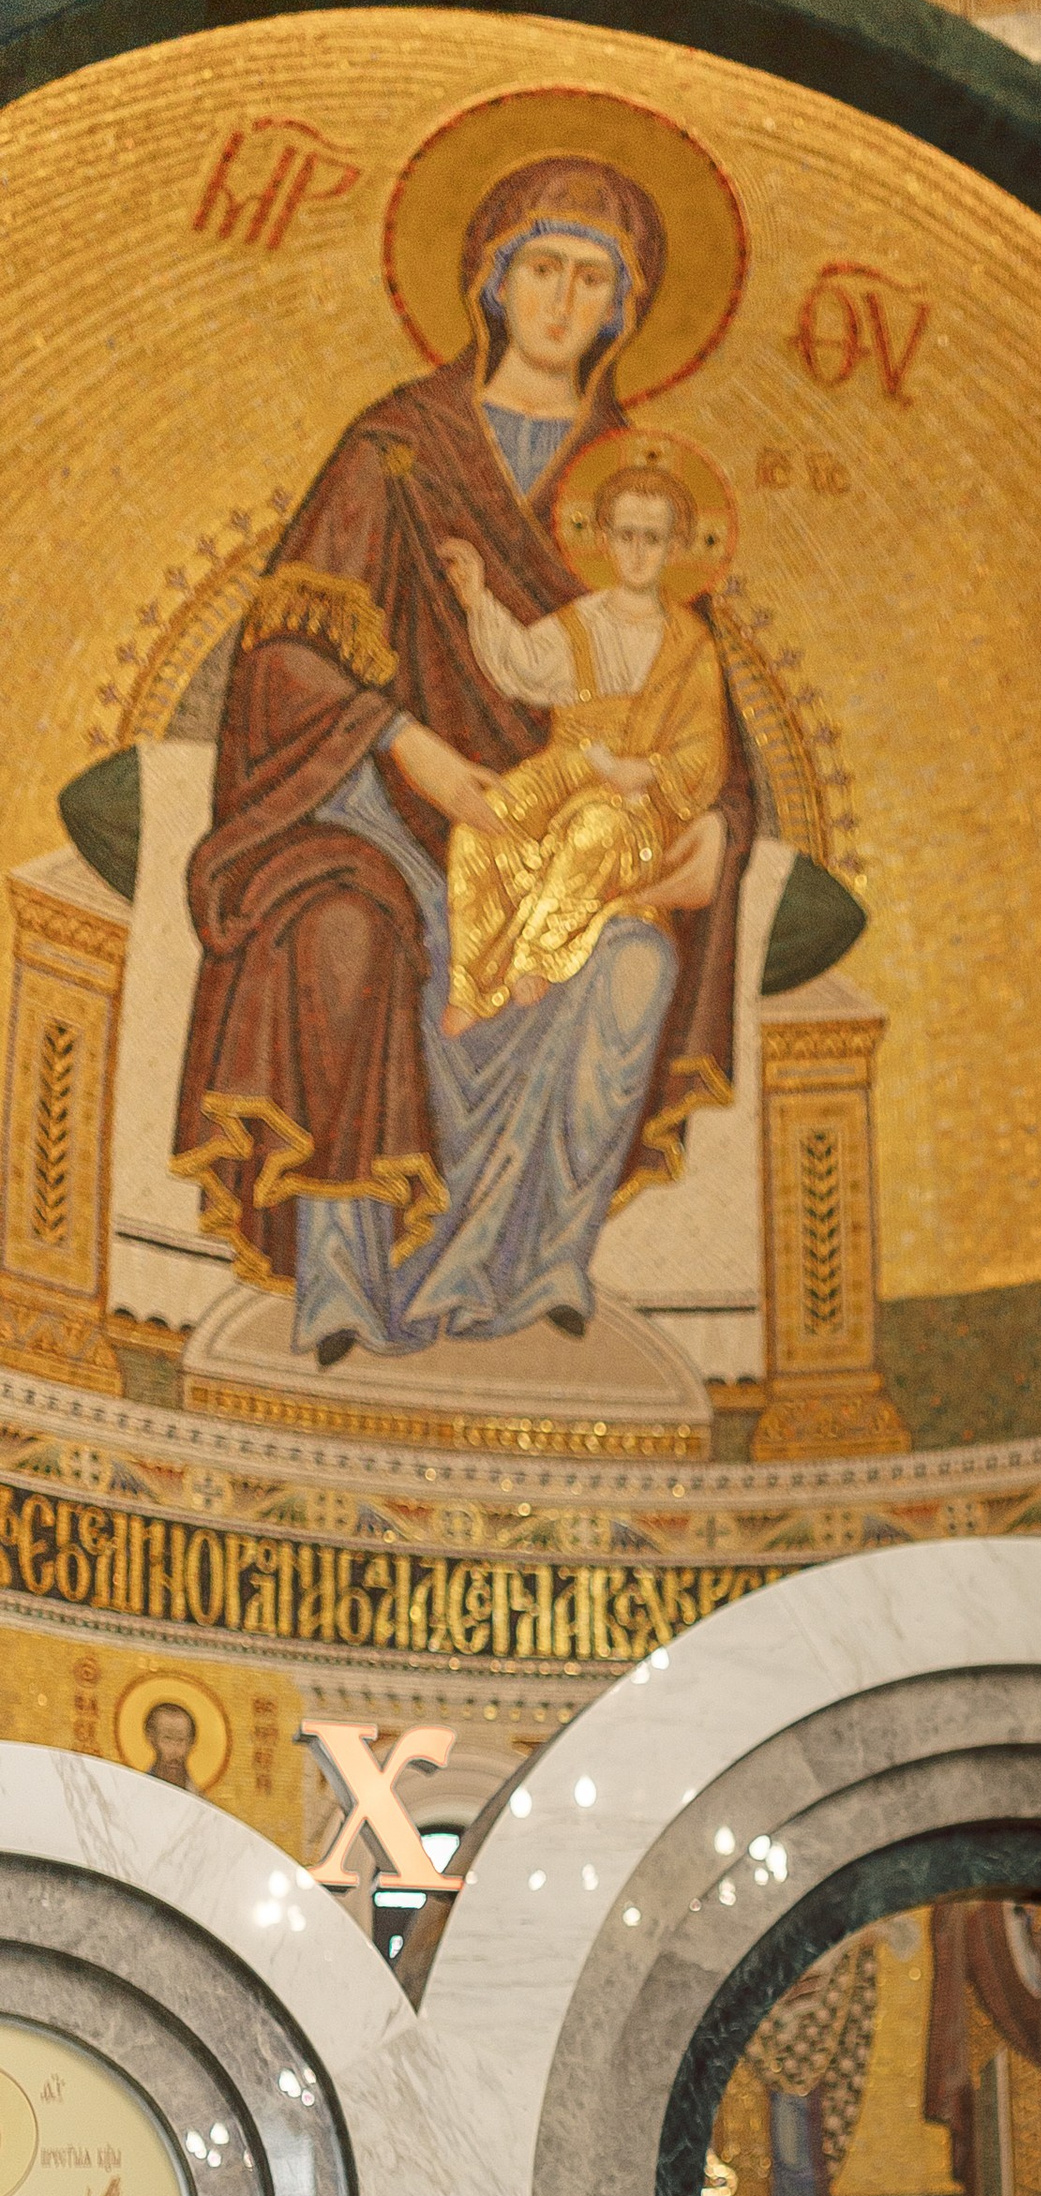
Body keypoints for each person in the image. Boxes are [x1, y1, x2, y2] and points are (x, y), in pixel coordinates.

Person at [175, 148, 754, 1366]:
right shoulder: (393, 448)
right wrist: (409, 747)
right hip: (377, 818)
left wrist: (719, 828)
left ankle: (530, 1264)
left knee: (634, 966)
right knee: (342, 936)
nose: (562, 300)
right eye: (541, 267)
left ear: (624, 310)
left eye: (592, 279)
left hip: (565, 840)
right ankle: (341, 1280)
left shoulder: (632, 491)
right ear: (491, 281)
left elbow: (695, 703)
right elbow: (283, 655)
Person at [438, 466, 730, 1033]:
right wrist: (476, 599)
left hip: (638, 801)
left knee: (595, 832)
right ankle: (471, 985)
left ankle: (535, 959)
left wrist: (647, 769)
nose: (638, 552)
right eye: (626, 535)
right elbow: (522, 663)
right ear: (604, 539)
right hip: (566, 768)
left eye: (652, 539)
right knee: (481, 823)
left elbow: (705, 753)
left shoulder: (690, 646)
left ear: (674, 549)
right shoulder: (581, 623)